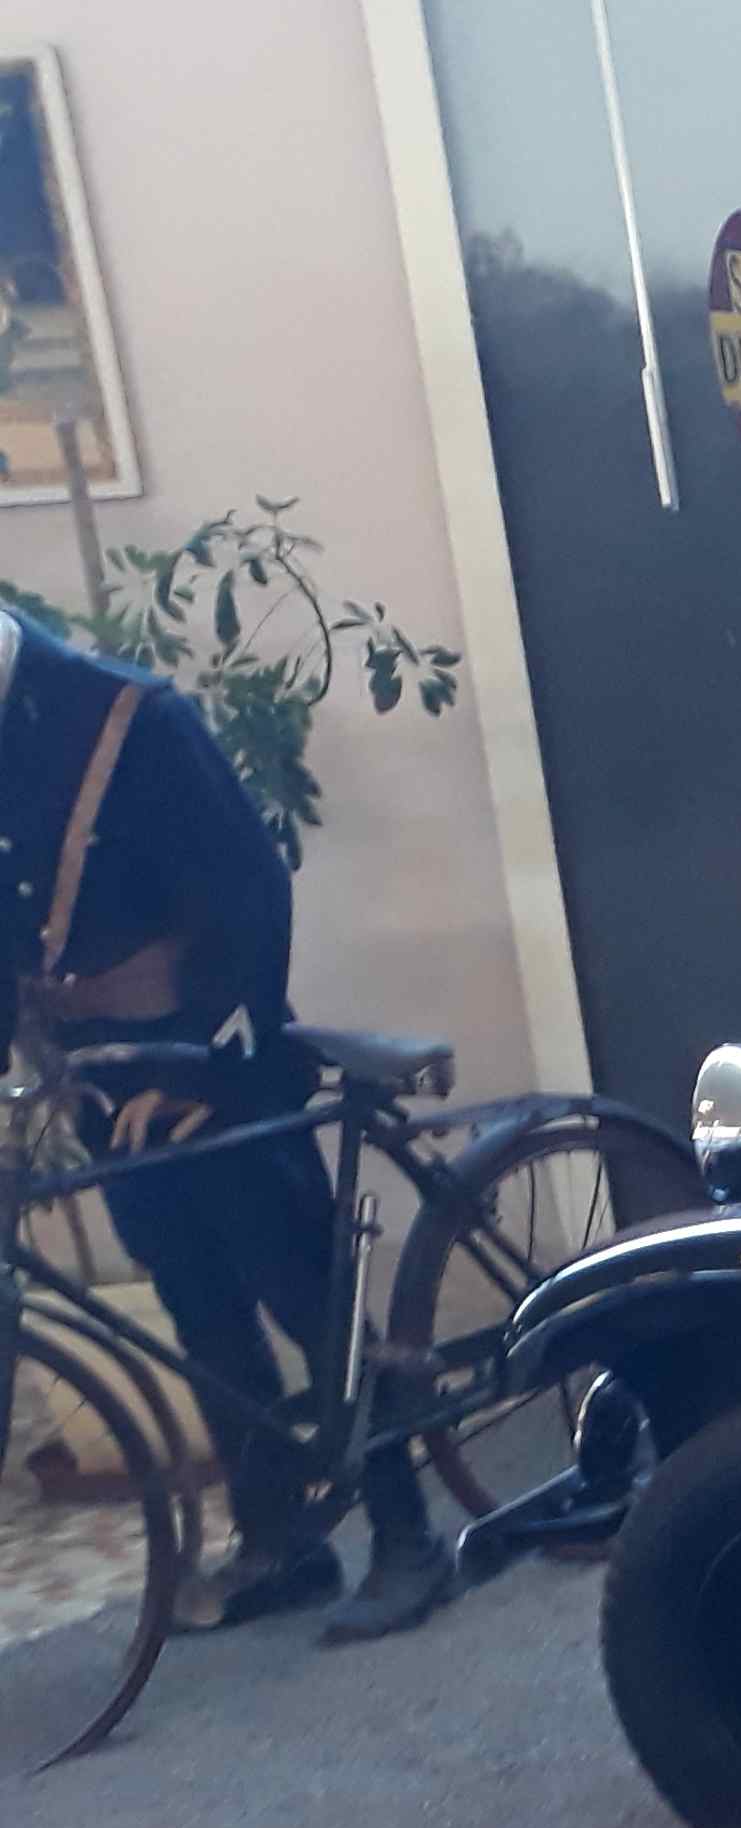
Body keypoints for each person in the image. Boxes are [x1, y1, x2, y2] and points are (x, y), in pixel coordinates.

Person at [5, 603, 450, 1638]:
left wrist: (217, 1061)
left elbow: (248, 889)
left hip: (212, 1053)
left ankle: (408, 1537)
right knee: (197, 1303)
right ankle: (279, 1541)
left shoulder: (130, 718)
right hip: (102, 1073)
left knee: (306, 1291)